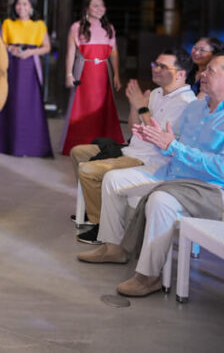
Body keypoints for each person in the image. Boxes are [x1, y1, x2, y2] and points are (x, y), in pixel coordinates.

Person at [77, 52, 224, 297]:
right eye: (204, 69)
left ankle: (148, 275)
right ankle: (114, 247)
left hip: (207, 189)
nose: (203, 74)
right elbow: (177, 142)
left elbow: (220, 167)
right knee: (114, 179)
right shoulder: (197, 108)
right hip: (173, 175)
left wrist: (173, 147)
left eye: (211, 71)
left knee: (161, 201)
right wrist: (156, 138)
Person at [70, 48, 196, 243]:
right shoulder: (156, 93)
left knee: (88, 170)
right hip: (131, 150)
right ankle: (97, 207)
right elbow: (134, 127)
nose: (156, 69)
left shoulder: (186, 102)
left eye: (163, 66)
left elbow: (159, 137)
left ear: (181, 74)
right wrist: (133, 106)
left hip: (149, 160)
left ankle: (100, 226)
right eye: (155, 64)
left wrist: (142, 107)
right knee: (78, 152)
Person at [0, 0, 51, 157]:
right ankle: (8, 144)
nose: (21, 7)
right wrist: (11, 49)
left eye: (25, 4)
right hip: (13, 66)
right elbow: (0, 44)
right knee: (11, 102)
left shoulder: (39, 25)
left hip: (30, 66)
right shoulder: (8, 24)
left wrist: (31, 52)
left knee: (30, 104)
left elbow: (47, 47)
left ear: (31, 7)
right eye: (18, 4)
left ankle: (31, 146)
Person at [61, 0, 122, 155]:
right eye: (95, 5)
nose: (100, 8)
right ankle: (79, 143)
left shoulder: (109, 28)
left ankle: (102, 144)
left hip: (103, 73)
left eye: (102, 5)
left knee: (102, 108)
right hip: (84, 71)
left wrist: (116, 74)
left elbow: (114, 53)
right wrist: (68, 74)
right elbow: (70, 53)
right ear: (87, 8)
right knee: (82, 107)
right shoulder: (77, 27)